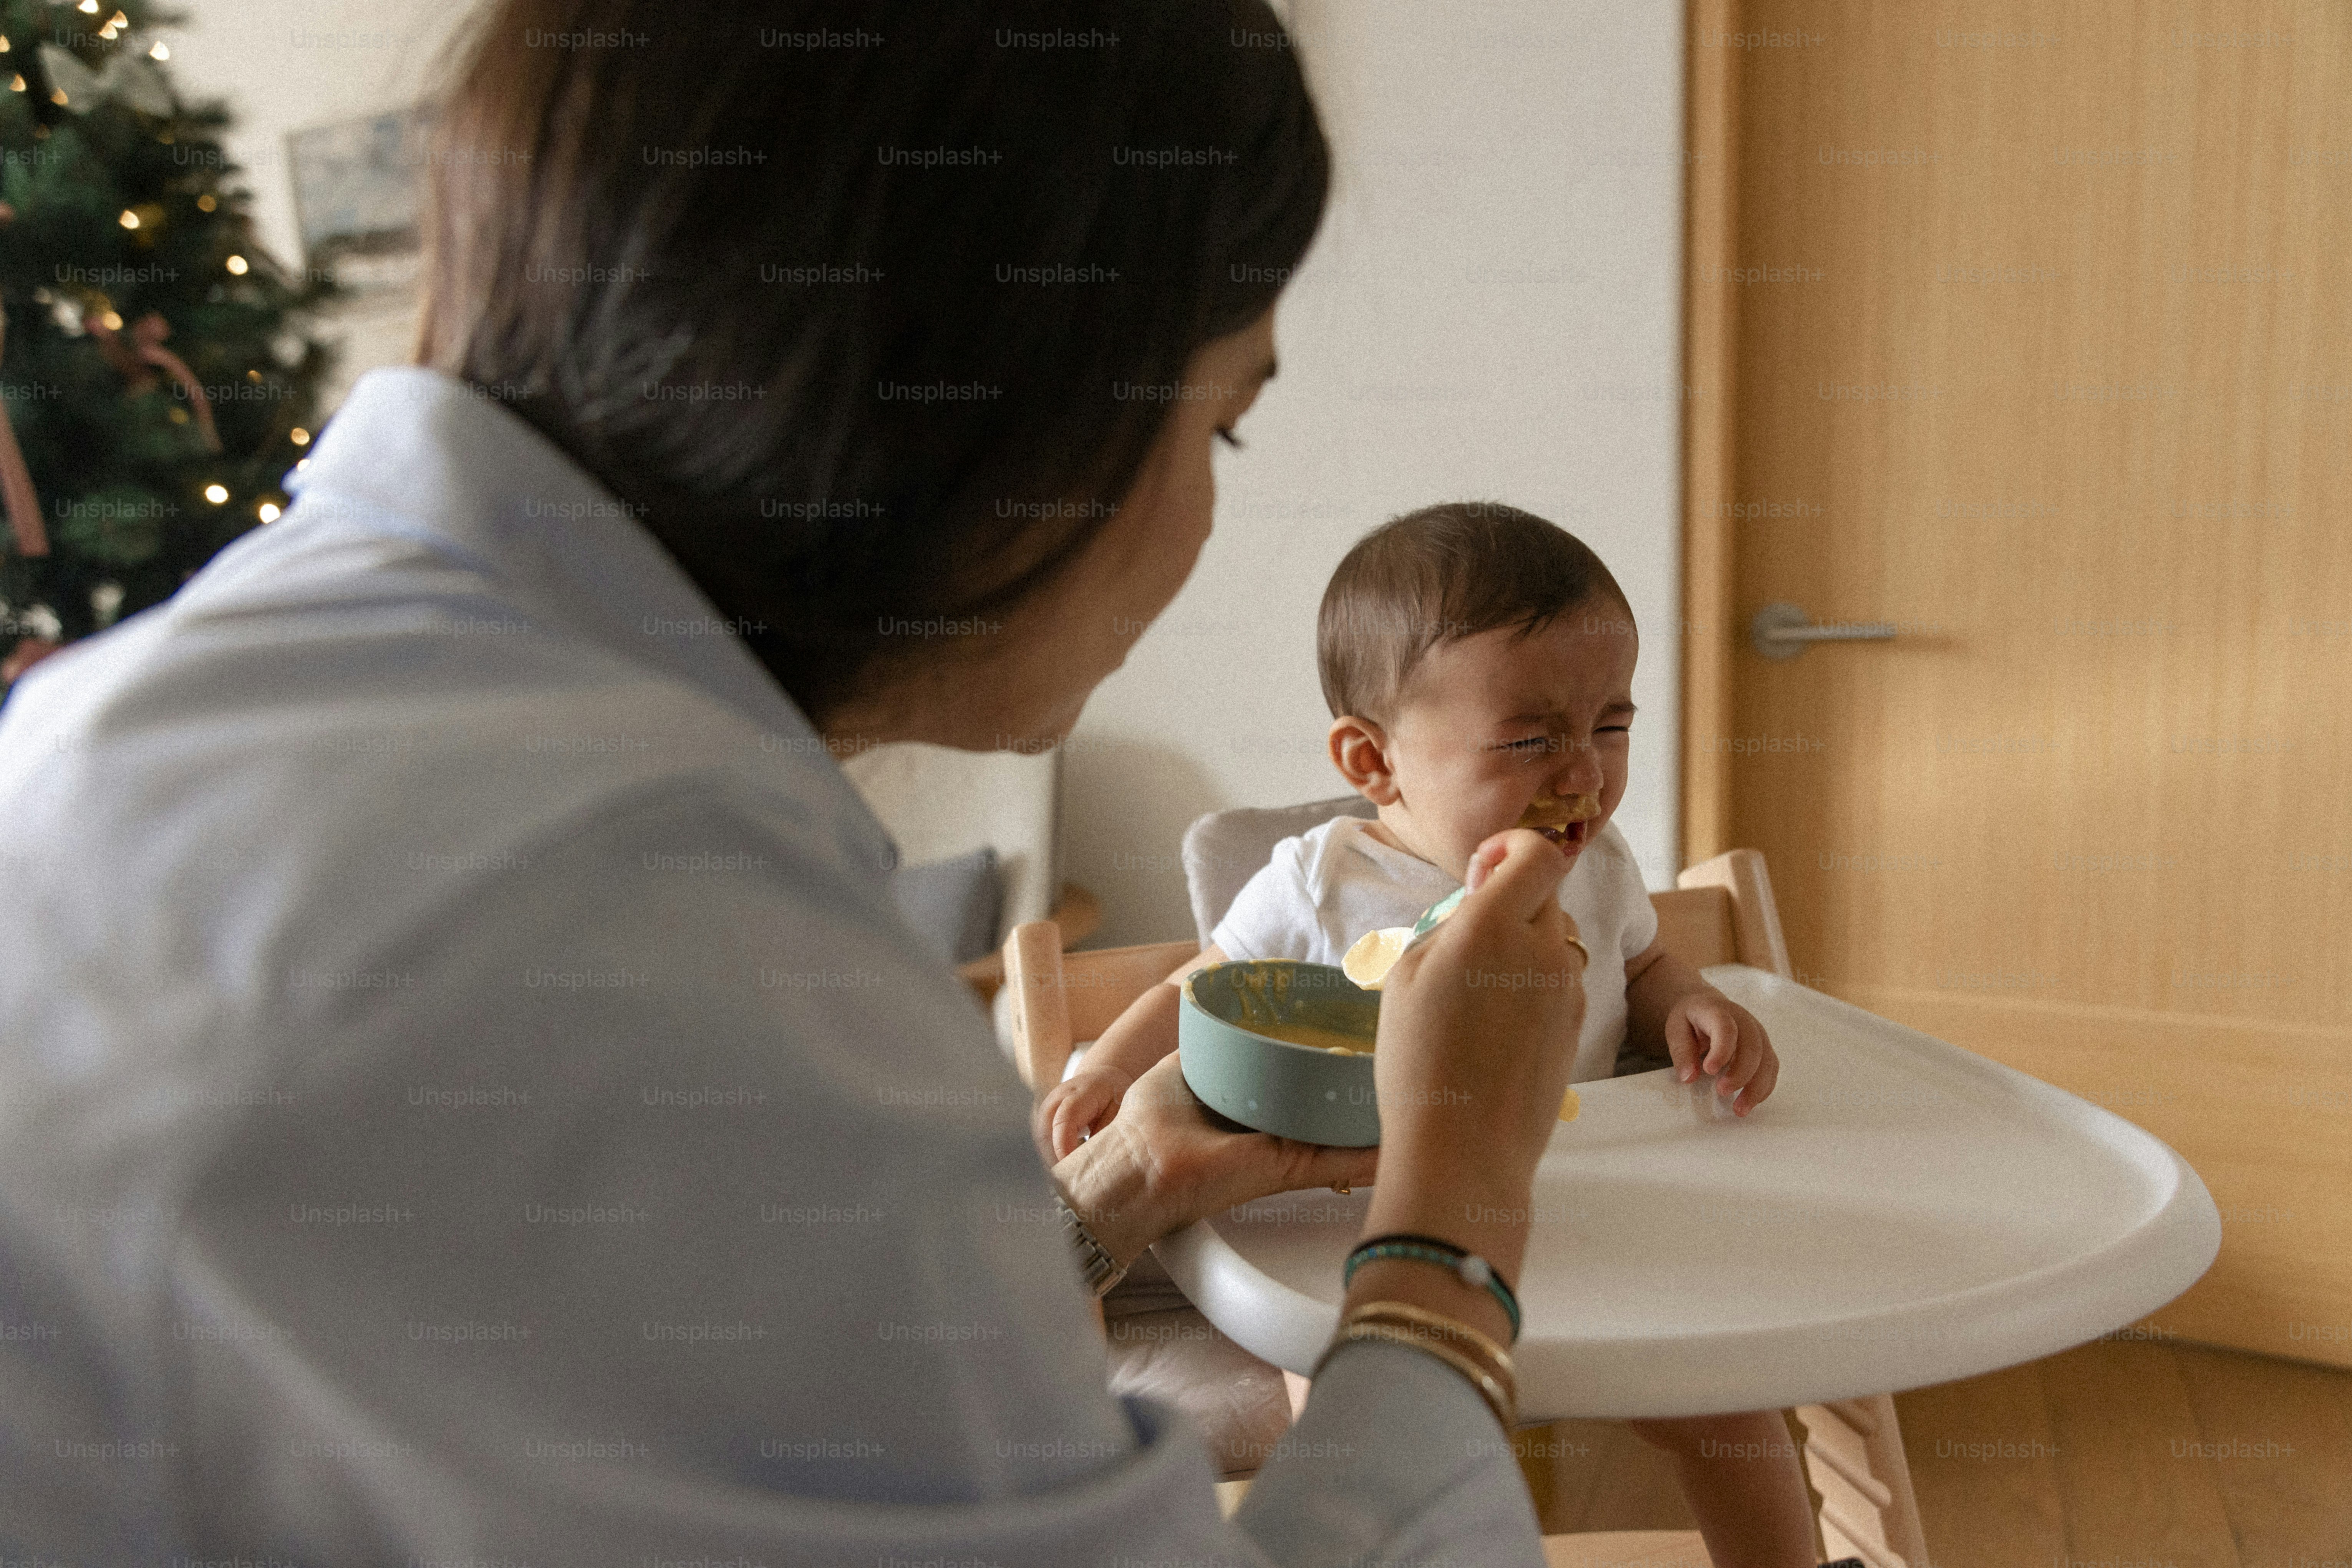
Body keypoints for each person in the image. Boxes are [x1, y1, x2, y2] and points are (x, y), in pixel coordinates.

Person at [0, 2, 1593, 1563]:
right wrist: (1453, 1218)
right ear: (1005, 398)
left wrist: (1091, 1201)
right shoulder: (664, 953)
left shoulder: (145, 716)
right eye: (1222, 431)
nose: (1196, 523)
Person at [1038, 501, 1813, 1565]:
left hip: (1577, 1201)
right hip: (1352, 1224)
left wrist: (1690, 1003)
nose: (1583, 772)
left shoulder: (1594, 856)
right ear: (1373, 760)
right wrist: (1116, 1075)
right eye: (1531, 737)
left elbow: (1639, 962)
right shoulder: (1325, 881)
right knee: (1344, 1410)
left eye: (1611, 724)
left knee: (1731, 1401)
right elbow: (1205, 984)